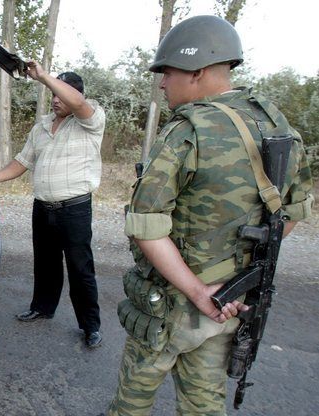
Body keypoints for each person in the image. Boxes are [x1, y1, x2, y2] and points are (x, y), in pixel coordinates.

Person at [107, 15, 314, 415]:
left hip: (172, 304)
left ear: (197, 71)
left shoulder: (189, 129)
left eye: (166, 73)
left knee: (131, 403)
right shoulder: (276, 122)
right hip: (229, 302)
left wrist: (199, 290)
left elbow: (146, 226)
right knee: (203, 404)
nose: (163, 83)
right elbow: (293, 212)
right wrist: (230, 282)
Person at [0, 61, 106, 348]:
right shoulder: (42, 127)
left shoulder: (91, 119)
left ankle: (90, 326)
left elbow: (79, 103)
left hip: (74, 209)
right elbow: (23, 161)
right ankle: (43, 308)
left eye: (62, 94)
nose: (56, 99)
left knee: (80, 268)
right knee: (45, 264)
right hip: (43, 207)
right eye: (54, 95)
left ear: (76, 95)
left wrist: (44, 77)